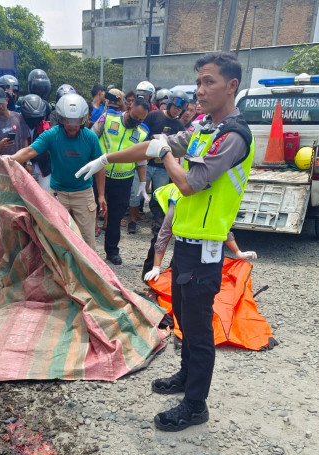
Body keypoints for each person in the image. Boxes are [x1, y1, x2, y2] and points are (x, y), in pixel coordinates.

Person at [75, 51, 255, 432]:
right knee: (185, 318)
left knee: (200, 327)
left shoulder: (234, 136)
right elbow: (157, 145)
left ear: (232, 86)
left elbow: (189, 183)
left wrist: (165, 157)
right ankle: (186, 379)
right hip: (187, 243)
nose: (200, 90)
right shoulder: (205, 126)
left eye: (209, 82)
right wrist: (108, 158)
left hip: (207, 248)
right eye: (199, 82)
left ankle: (195, 405)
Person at [7, 93, 107, 249]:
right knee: (56, 238)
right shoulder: (52, 135)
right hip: (58, 193)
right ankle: (58, 272)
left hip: (83, 193)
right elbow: (29, 151)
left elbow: (100, 167)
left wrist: (101, 195)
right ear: (61, 119)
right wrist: (9, 159)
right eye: (68, 121)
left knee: (87, 240)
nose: (72, 126)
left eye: (76, 122)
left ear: (83, 120)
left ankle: (85, 273)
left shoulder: (90, 138)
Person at [91, 98, 151, 264]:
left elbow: (141, 160)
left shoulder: (143, 132)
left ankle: (111, 251)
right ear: (129, 107)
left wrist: (142, 183)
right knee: (90, 212)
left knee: (115, 217)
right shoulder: (109, 117)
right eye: (135, 117)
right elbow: (91, 137)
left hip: (123, 180)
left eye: (141, 120)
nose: (137, 122)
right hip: (98, 174)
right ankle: (86, 251)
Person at [136, 90, 190, 234]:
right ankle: (134, 219)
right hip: (146, 162)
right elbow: (141, 133)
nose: (177, 110)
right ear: (170, 103)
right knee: (138, 192)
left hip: (162, 166)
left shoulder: (179, 124)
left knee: (159, 195)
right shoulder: (154, 115)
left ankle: (158, 222)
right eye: (176, 107)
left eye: (180, 109)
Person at [0, 86, 30, 235]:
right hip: (0, 171)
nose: (0, 106)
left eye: (2, 103)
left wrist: (27, 162)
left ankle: (19, 230)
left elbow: (25, 141)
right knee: (2, 203)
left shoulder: (18, 117)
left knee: (19, 201)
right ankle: (4, 232)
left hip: (18, 167)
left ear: (7, 100)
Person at [20, 94, 52, 192]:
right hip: (23, 169)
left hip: (43, 169)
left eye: (37, 118)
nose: (34, 120)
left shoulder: (46, 128)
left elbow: (46, 152)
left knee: (44, 198)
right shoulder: (19, 126)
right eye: (31, 118)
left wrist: (29, 158)